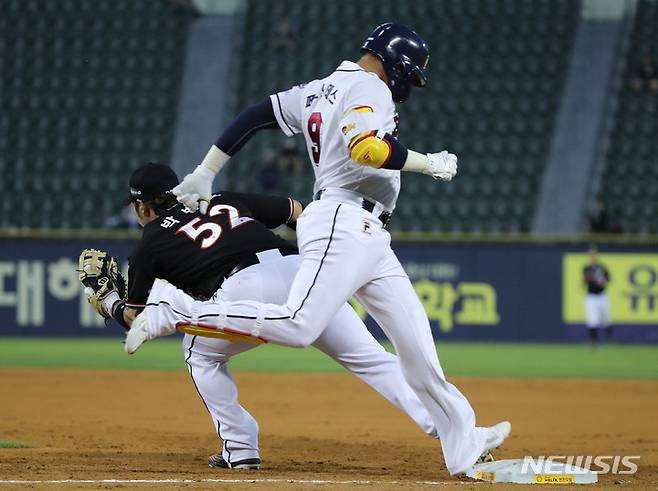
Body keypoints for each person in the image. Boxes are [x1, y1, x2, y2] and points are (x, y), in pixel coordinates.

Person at [146, 23, 511, 475]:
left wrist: (207, 170)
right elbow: (366, 150)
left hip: (369, 232)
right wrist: (428, 162)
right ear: (393, 63)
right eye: (410, 74)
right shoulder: (369, 86)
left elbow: (255, 115)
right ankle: (173, 311)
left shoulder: (318, 89)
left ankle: (464, 445)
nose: (408, 84)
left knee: (416, 345)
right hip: (342, 220)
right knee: (300, 325)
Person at [87, 163, 439, 470]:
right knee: (369, 357)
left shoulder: (150, 240)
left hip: (244, 288)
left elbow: (135, 318)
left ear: (140, 205)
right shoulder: (221, 198)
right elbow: (298, 211)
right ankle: (445, 421)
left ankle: (240, 448)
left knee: (199, 353)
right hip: (301, 271)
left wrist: (111, 304)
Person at [583, 246, 612, 345]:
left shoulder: (602, 267)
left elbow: (608, 279)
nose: (592, 256)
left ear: (597, 255)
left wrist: (602, 281)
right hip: (591, 297)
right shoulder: (587, 268)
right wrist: (591, 279)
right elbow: (585, 281)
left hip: (602, 295)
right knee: (592, 319)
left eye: (594, 254)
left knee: (606, 318)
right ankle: (594, 342)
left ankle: (610, 339)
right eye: (591, 254)